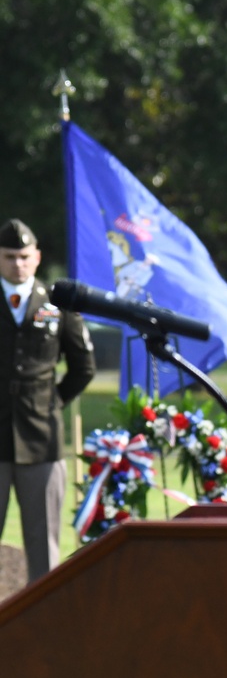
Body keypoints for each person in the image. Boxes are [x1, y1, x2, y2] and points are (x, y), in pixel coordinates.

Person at [0, 219, 96, 582]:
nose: (17, 264)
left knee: (43, 545)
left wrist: (51, 403)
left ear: (37, 257)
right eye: (9, 256)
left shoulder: (58, 305)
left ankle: (44, 631)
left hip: (41, 437)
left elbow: (82, 367)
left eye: (24, 256)